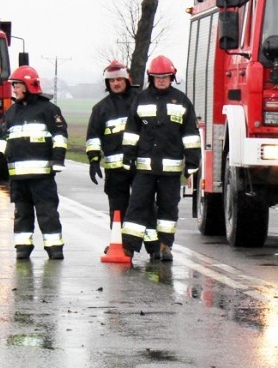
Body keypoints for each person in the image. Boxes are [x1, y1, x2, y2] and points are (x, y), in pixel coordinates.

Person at [121, 55, 201, 263]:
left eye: (165, 77)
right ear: (151, 77)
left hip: (170, 170)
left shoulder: (182, 101)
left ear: (172, 77)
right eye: (158, 77)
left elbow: (190, 135)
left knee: (168, 208)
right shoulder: (141, 99)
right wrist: (128, 157)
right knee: (137, 206)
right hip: (144, 168)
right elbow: (131, 132)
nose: (162, 80)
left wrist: (192, 163)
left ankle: (165, 246)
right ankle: (129, 248)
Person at [0, 65, 68, 260]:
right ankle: (22, 249)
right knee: (21, 215)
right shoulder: (12, 112)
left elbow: (59, 135)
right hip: (18, 178)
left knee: (47, 213)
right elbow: (1, 138)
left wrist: (58, 160)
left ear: (27, 85)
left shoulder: (49, 110)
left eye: (16, 85)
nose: (14, 89)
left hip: (42, 177)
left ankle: (54, 249)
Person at [85, 61, 160, 259]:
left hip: (140, 166)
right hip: (115, 170)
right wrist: (93, 160)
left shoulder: (141, 101)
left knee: (144, 205)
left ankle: (155, 248)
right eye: (112, 81)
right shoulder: (100, 109)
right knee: (117, 209)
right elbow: (93, 137)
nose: (116, 84)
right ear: (107, 84)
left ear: (127, 80)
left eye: (119, 79)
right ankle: (120, 244)